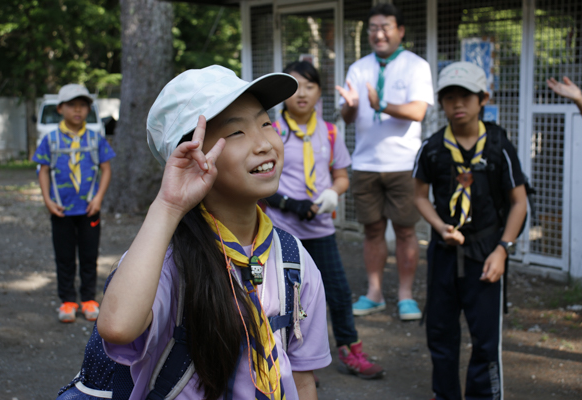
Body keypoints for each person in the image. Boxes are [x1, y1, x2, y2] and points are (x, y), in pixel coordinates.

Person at [96, 65, 331, 400]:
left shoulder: (293, 260)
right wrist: (168, 205)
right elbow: (118, 327)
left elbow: (302, 378)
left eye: (266, 123)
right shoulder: (166, 260)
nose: (264, 143)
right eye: (236, 133)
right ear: (192, 155)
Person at [412, 61, 527, 400]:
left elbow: (519, 202)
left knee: (486, 339)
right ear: (441, 103)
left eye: (466, 96)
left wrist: (502, 249)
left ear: (483, 99)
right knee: (441, 333)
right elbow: (419, 196)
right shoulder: (432, 148)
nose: (457, 104)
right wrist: (439, 227)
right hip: (445, 252)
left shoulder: (498, 146)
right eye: (449, 97)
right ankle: (445, 394)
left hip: (486, 252)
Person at [265, 61, 384, 379]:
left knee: (339, 291)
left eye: (309, 86)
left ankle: (350, 350)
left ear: (320, 92)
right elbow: (260, 180)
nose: (301, 93)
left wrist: (333, 193)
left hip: (321, 228)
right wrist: (289, 204)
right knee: (287, 296)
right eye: (294, 86)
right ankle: (294, 362)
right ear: (284, 94)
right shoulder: (271, 131)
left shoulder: (330, 132)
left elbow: (341, 176)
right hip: (283, 229)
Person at [336, 3, 434, 320]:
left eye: (385, 26)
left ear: (400, 30)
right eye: (373, 28)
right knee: (372, 231)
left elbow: (419, 111)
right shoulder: (358, 68)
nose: (378, 33)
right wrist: (350, 106)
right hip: (365, 163)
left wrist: (384, 104)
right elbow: (347, 116)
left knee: (406, 231)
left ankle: (406, 296)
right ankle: (374, 292)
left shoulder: (416, 66)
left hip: (405, 164)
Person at [33, 84, 115, 323]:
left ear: (89, 109)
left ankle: (89, 298)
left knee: (89, 255)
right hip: (61, 210)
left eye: (83, 105)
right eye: (72, 105)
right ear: (60, 108)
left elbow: (106, 168)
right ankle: (67, 301)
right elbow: (43, 170)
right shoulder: (51, 139)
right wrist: (48, 201)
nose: (78, 110)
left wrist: (99, 198)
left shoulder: (95, 138)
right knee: (64, 256)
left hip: (89, 209)